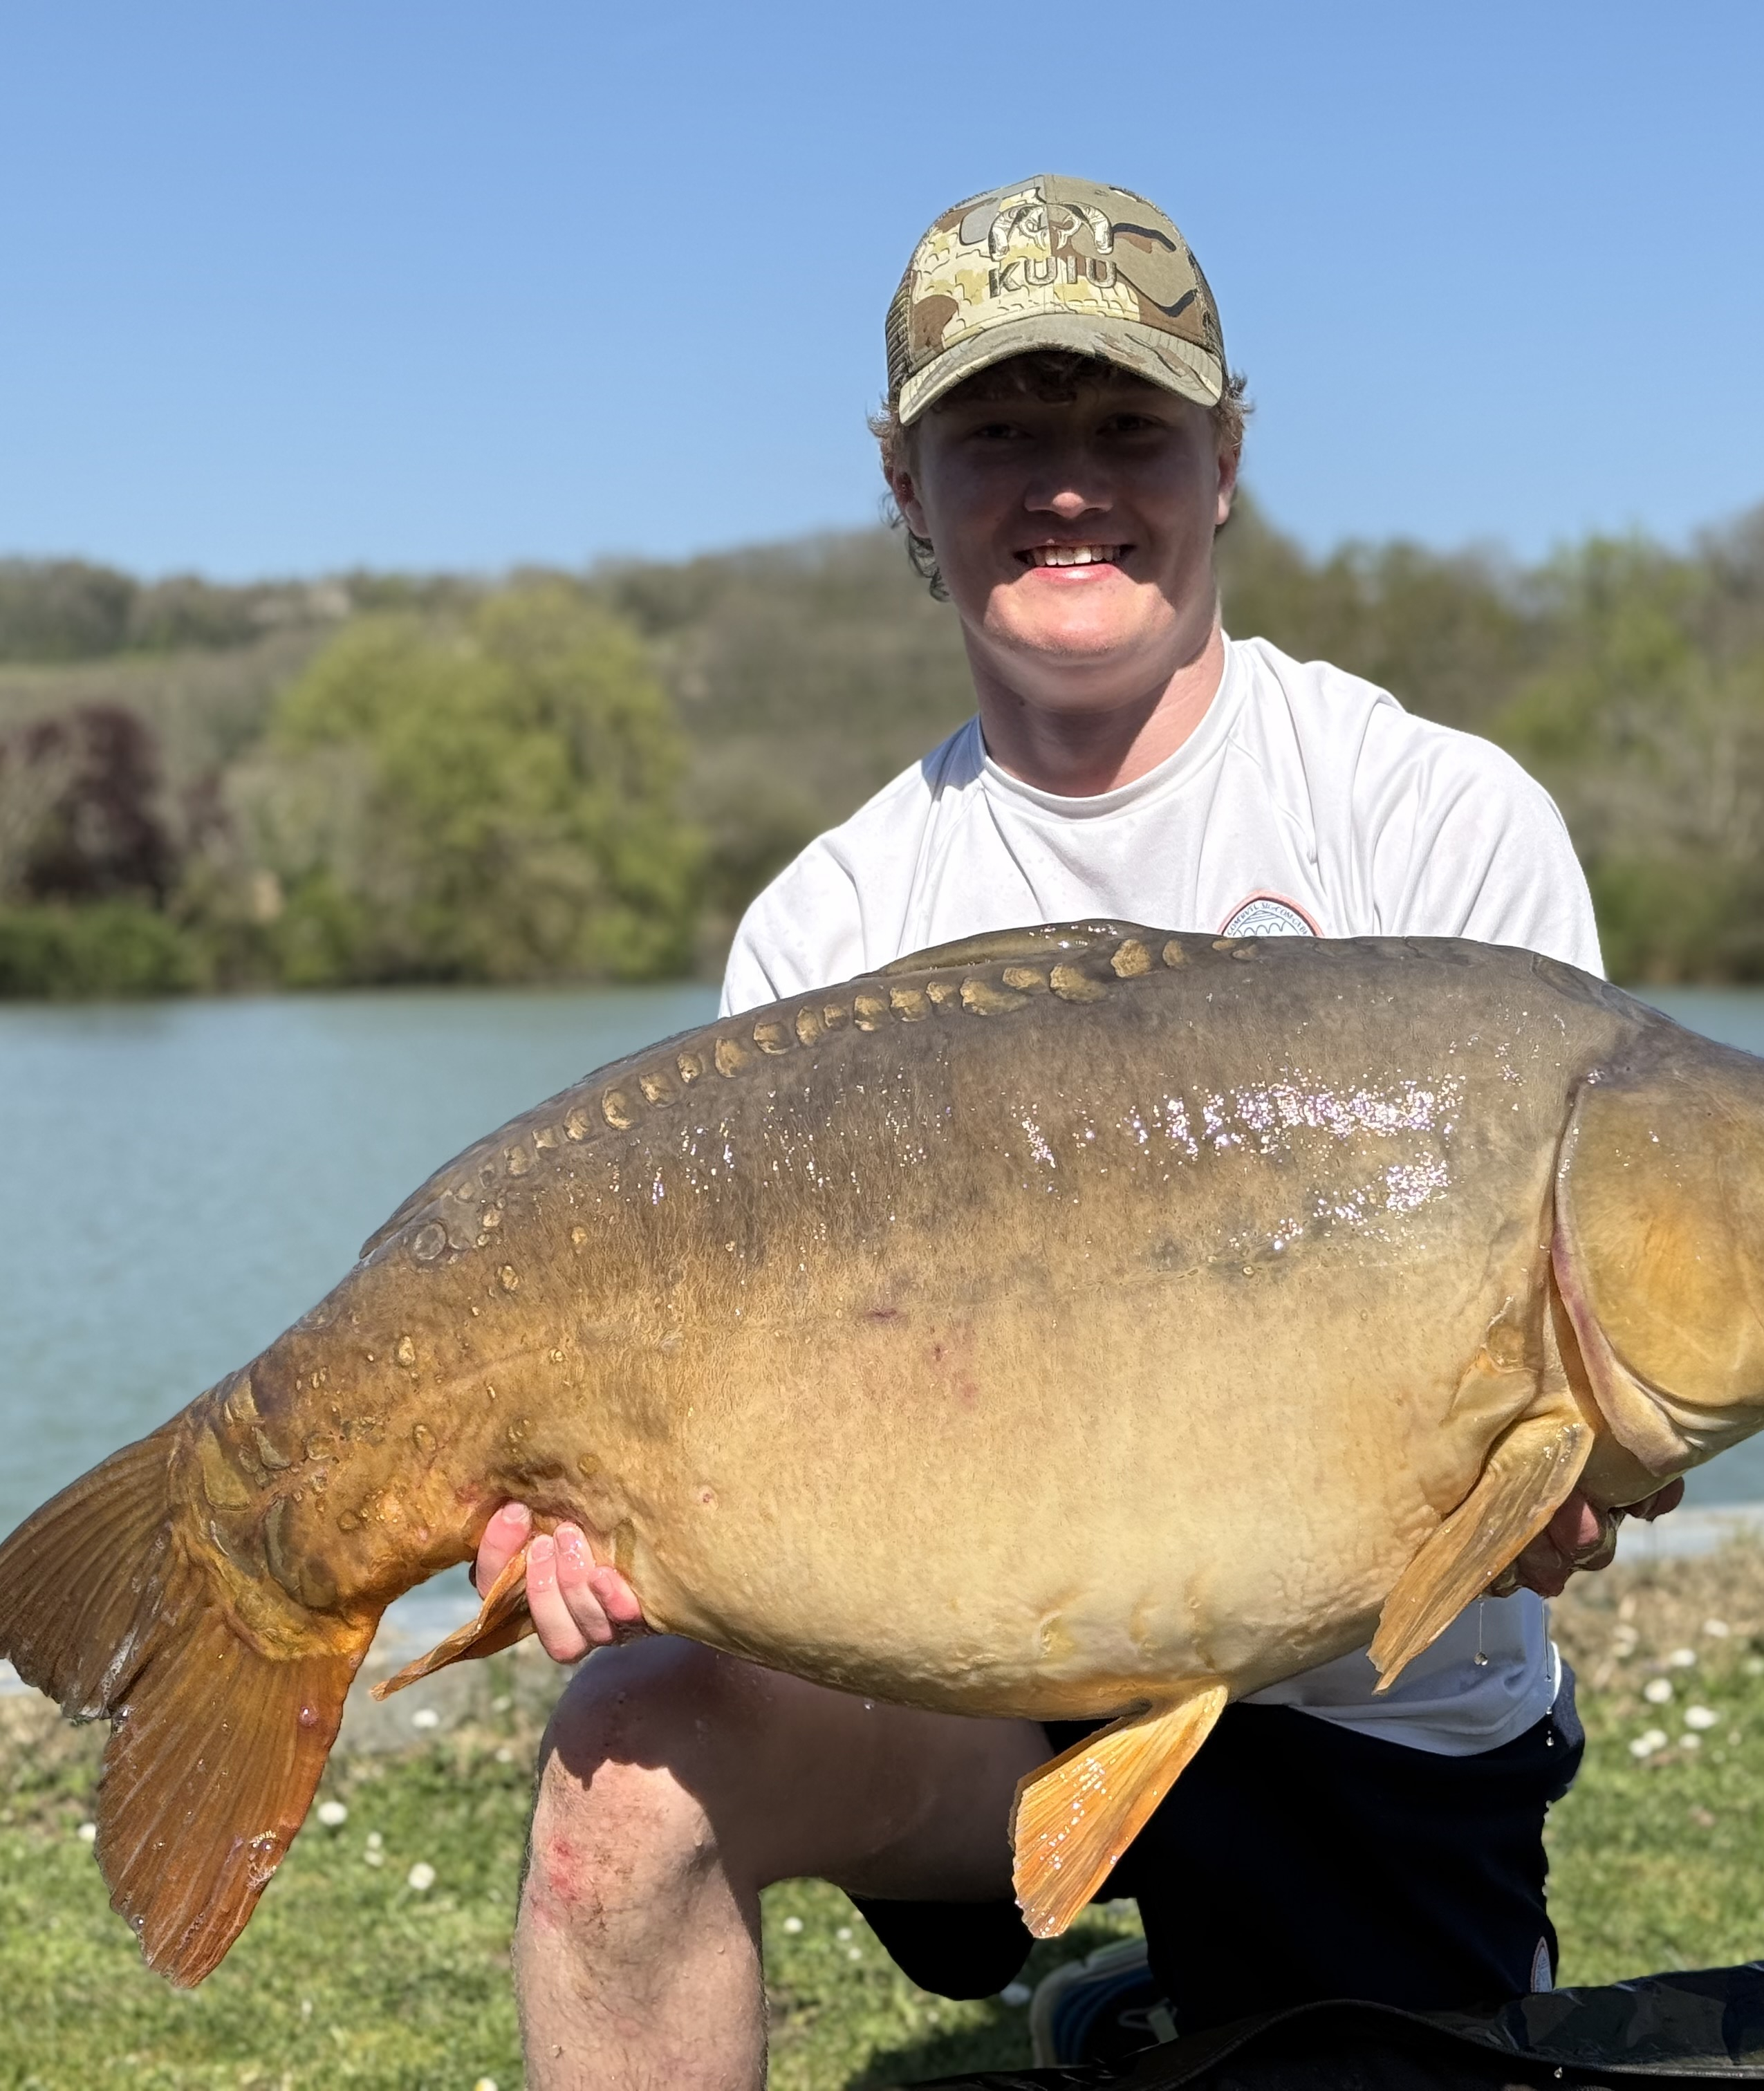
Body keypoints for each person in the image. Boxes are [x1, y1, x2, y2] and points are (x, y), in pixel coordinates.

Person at [478, 174, 1680, 2090]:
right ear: (906, 485)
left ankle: (1212, 1996)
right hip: (968, 1682)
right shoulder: (828, 929)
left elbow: (1585, 1339)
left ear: (1226, 460)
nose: (1066, 487)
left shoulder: (1435, 827)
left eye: (1127, 426)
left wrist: (1578, 1458)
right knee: (622, 1775)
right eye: (996, 437)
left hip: (1367, 1704)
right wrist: (608, 1523)